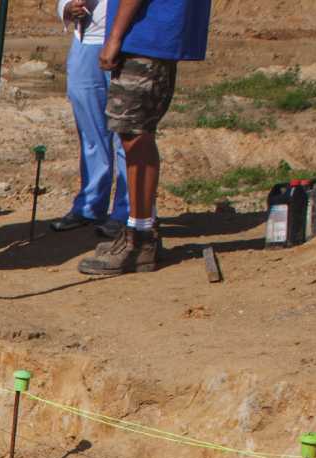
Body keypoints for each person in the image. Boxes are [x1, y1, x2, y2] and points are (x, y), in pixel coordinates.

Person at [79, 0, 210, 274]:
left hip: (143, 37)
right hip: (150, 36)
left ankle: (140, 240)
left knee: (134, 134)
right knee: (136, 132)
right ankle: (139, 232)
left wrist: (114, 37)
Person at [49, 0, 128, 234]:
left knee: (127, 131)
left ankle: (126, 212)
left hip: (127, 44)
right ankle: (90, 205)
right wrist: (67, 8)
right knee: (90, 131)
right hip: (86, 43)